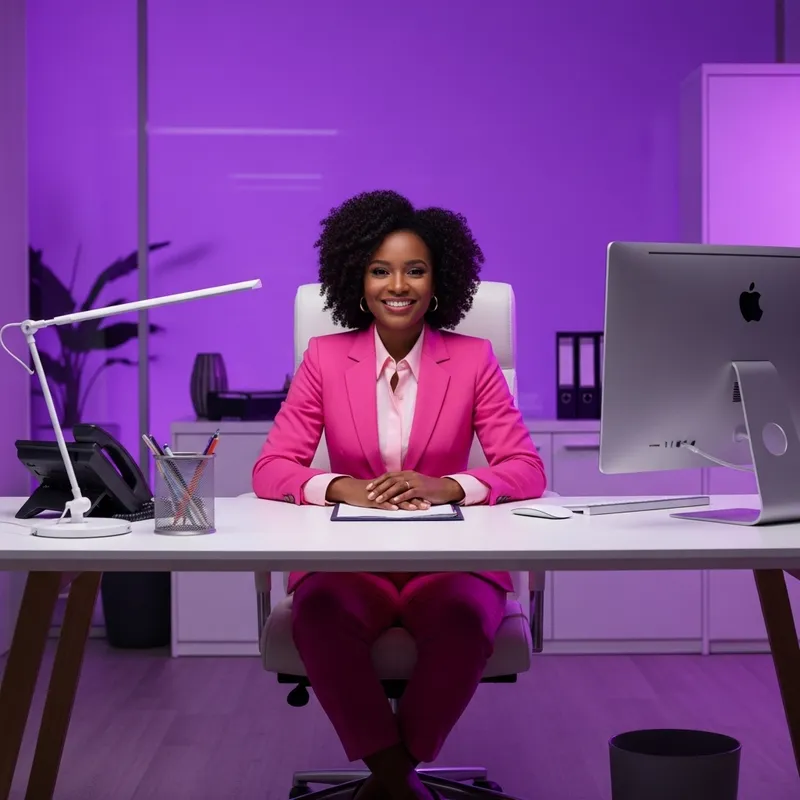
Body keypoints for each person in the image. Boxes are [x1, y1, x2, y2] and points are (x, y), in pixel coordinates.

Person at [253, 190, 546, 800]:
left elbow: (524, 468)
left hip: (449, 559)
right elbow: (272, 467)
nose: (398, 285)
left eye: (415, 270)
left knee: (464, 617)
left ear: (437, 281)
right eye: (380, 270)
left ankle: (387, 782)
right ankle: (400, 784)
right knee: (323, 615)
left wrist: (450, 484)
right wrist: (342, 487)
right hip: (348, 560)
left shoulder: (472, 360)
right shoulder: (325, 359)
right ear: (357, 280)